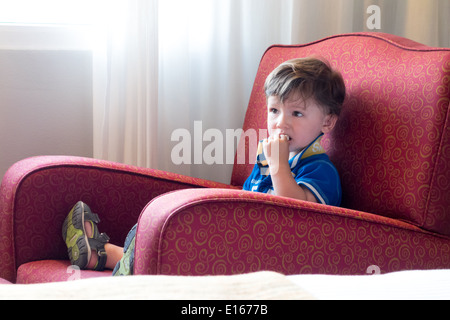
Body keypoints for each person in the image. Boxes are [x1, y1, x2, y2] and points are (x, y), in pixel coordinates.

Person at [62, 57, 346, 275]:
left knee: (184, 244)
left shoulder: (320, 170)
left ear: (327, 122)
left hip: (274, 255)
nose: (280, 122)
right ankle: (104, 253)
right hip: (245, 239)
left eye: (296, 113)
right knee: (170, 228)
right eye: (274, 110)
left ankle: (118, 263)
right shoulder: (269, 159)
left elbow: (298, 215)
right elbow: (246, 199)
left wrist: (279, 168)